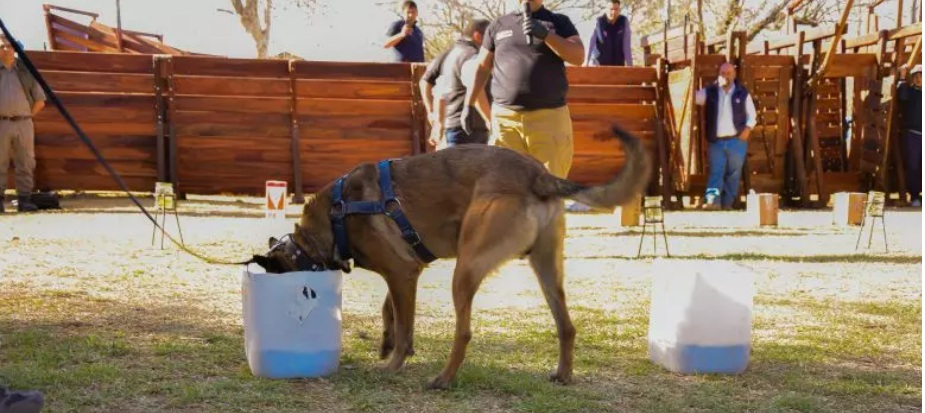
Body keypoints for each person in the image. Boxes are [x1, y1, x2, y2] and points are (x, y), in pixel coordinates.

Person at [463, 0, 585, 180]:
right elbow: (482, 67)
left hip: (548, 120)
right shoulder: (498, 25)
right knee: (505, 185)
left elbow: (578, 56)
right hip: (505, 121)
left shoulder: (559, 22)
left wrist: (547, 35)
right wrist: (469, 104)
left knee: (551, 187)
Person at [420, 19, 492, 148]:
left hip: (452, 125)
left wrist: (433, 114)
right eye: (490, 39)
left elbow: (426, 83)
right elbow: (475, 87)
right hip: (471, 127)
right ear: (478, 36)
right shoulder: (473, 55)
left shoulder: (448, 54)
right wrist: (489, 120)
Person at [694, 62, 757, 209]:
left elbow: (752, 115)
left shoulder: (742, 93)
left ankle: (727, 204)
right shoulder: (710, 92)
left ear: (734, 75)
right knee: (715, 172)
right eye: (723, 73)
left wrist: (747, 129)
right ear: (719, 75)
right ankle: (712, 202)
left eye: (729, 73)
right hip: (716, 141)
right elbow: (693, 97)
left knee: (733, 174)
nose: (726, 76)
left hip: (737, 141)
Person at [0, 36, 46, 213]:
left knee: (26, 162)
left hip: (24, 123)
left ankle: (25, 200)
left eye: (9, 46)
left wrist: (27, 117)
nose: (6, 49)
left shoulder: (26, 71)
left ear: (15, 49)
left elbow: (40, 100)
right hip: (1, 123)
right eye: (2, 46)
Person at [897, 64, 922, 207]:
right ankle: (914, 196)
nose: (918, 79)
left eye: (921, 76)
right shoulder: (910, 92)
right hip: (913, 135)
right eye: (915, 76)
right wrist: (902, 75)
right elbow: (902, 95)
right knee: (913, 166)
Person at [586, 0, 633, 67]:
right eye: (611, 9)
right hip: (600, 65)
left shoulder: (624, 22)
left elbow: (626, 47)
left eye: (616, 9)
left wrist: (630, 67)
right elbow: (591, 45)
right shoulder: (598, 22)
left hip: (618, 65)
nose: (613, 12)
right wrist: (586, 64)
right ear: (606, 9)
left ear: (619, 10)